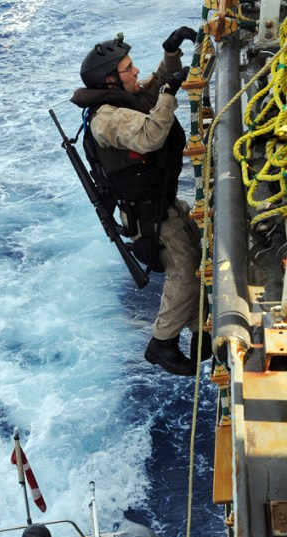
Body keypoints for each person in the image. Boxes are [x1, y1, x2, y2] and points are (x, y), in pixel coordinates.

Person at [71, 28, 212, 376]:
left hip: (160, 202)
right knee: (186, 271)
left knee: (196, 256)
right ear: (109, 80)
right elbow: (150, 135)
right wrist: (168, 92)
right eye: (128, 68)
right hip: (149, 215)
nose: (135, 72)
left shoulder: (123, 98)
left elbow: (153, 87)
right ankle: (161, 343)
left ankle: (200, 334)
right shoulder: (106, 119)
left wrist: (171, 53)